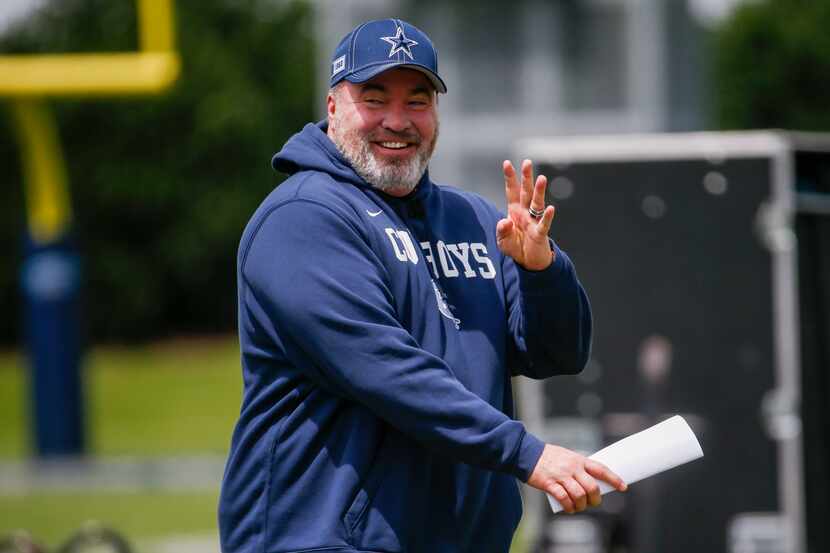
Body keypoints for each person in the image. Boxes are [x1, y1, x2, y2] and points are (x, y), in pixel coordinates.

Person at [218, 18, 626, 553]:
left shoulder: (475, 219)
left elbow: (558, 354)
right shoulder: (304, 218)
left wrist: (542, 272)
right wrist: (526, 453)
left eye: (417, 100)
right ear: (333, 106)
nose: (397, 120)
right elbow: (386, 369)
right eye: (374, 97)